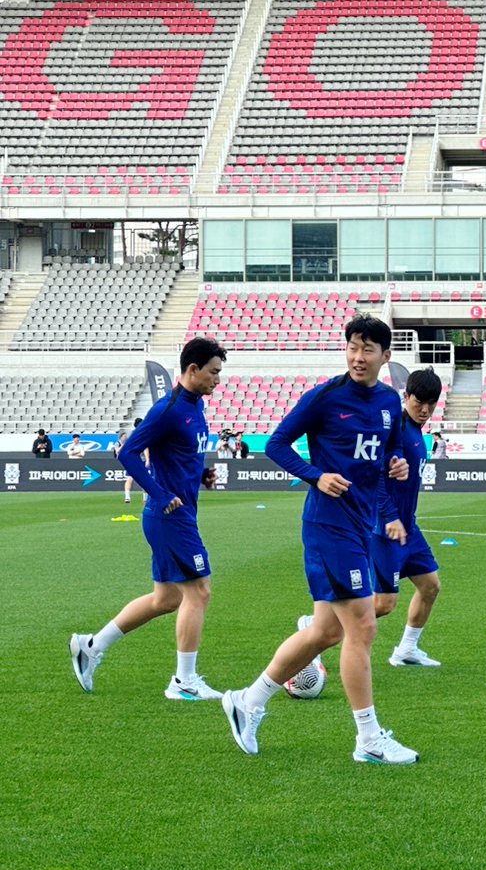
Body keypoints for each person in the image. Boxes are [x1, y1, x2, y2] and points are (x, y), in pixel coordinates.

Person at [222, 314, 416, 764]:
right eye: (352, 346)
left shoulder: (389, 402)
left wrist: (396, 466)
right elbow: (276, 443)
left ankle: (246, 702)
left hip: (359, 525)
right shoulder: (326, 397)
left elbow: (385, 456)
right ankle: (368, 739)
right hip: (328, 526)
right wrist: (316, 475)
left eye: (368, 349)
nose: (357, 356)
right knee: (363, 626)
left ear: (386, 356)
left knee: (327, 631)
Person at [68, 337, 227, 701]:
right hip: (169, 516)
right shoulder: (168, 409)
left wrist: (200, 477)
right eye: (214, 372)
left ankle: (90, 646)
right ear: (193, 369)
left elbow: (179, 456)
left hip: (178, 514)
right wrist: (159, 493)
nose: (218, 379)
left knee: (167, 599)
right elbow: (126, 453)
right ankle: (184, 682)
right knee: (199, 591)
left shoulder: (195, 406)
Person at [371, 368, 443, 667]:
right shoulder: (395, 429)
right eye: (418, 402)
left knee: (430, 586)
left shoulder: (417, 432)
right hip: (385, 527)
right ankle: (316, 623)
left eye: (431, 404)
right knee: (383, 604)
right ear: (406, 397)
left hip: (408, 527)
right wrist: (388, 516)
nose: (425, 410)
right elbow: (373, 476)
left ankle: (406, 649)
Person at [123, 417, 144, 504]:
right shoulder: (143, 433)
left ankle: (127, 497)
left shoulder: (130, 434)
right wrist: (148, 458)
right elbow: (145, 447)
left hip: (131, 458)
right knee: (143, 478)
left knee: (129, 478)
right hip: (140, 458)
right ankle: (145, 497)